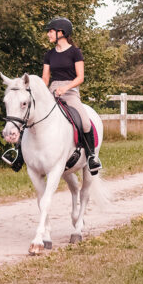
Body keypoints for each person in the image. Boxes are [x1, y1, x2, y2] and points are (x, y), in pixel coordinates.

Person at [42, 16, 101, 174]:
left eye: (50, 31)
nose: (48, 34)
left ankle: (91, 157)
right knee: (33, 116)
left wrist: (65, 88)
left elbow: (80, 77)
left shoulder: (75, 52)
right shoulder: (49, 54)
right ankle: (20, 154)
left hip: (71, 91)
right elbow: (46, 78)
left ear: (61, 32)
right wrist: (41, 92)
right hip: (52, 91)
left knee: (85, 122)